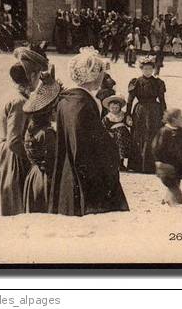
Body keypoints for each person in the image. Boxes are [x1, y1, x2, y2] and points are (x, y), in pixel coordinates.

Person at [49, 48, 129, 215]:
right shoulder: (83, 104)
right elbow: (92, 146)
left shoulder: (66, 100)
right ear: (93, 74)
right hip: (86, 181)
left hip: (68, 175)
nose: (103, 76)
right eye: (100, 72)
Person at [0, 46, 47, 216]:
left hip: (7, 154)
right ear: (32, 76)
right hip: (13, 157)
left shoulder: (15, 95)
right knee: (15, 205)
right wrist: (34, 160)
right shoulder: (20, 102)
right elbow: (14, 140)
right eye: (38, 75)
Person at [22, 69, 60, 214]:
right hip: (46, 180)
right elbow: (51, 162)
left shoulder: (31, 129)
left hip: (33, 176)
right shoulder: (47, 133)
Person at [126, 56, 168, 174]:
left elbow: (162, 100)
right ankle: (138, 165)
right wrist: (128, 115)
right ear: (141, 69)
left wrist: (165, 114)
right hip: (140, 111)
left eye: (150, 69)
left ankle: (152, 165)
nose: (147, 71)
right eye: (145, 69)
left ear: (153, 69)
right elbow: (130, 100)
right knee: (140, 135)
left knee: (153, 135)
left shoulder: (158, 82)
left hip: (155, 111)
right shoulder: (136, 82)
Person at [152, 108, 182, 206]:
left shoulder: (181, 130)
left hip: (179, 162)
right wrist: (158, 160)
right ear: (173, 119)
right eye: (180, 118)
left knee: (176, 181)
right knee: (172, 184)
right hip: (167, 163)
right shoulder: (164, 131)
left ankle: (168, 198)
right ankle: (175, 202)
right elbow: (156, 147)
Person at [102, 95, 133, 171]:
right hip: (114, 135)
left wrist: (129, 122)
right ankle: (115, 164)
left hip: (124, 135)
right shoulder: (108, 117)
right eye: (112, 108)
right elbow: (104, 127)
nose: (114, 110)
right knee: (115, 150)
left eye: (116, 108)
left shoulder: (123, 114)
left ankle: (121, 164)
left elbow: (128, 122)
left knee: (122, 150)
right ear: (109, 108)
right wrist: (108, 133)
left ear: (120, 107)